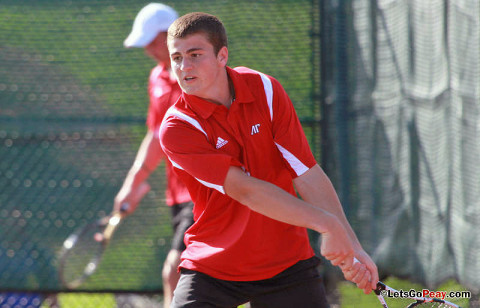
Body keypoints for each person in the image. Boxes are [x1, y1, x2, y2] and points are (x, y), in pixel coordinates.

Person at [159, 12, 379, 308]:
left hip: (286, 265)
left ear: (222, 56)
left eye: (195, 55)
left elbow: (306, 173)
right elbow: (246, 190)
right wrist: (327, 225)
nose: (184, 67)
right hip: (214, 266)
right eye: (177, 58)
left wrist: (353, 247)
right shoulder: (178, 127)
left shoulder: (264, 89)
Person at [115, 3, 194, 307]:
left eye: (150, 40)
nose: (147, 49)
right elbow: (157, 135)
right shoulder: (156, 78)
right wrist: (131, 184)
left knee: (174, 270)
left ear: (168, 34)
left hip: (208, 189)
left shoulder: (200, 74)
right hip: (176, 194)